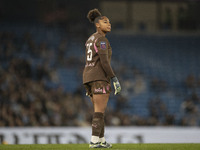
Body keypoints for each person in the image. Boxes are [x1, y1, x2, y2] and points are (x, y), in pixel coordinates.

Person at [83, 8, 121, 148]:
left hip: (88, 77)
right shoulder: (102, 40)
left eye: (109, 22)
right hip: (99, 77)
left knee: (99, 111)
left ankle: (102, 140)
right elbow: (104, 62)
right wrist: (114, 78)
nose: (109, 24)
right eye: (105, 22)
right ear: (98, 24)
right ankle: (94, 141)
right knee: (99, 111)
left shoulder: (90, 39)